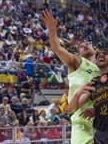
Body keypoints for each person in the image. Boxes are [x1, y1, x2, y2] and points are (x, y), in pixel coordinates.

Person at [68, 0, 108, 143]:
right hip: (99, 136)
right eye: (99, 54)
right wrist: (78, 94)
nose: (101, 55)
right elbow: (71, 110)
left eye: (106, 54)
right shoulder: (93, 84)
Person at [42, 9, 100, 144]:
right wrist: (52, 29)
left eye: (87, 44)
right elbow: (58, 49)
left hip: (99, 119)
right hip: (81, 118)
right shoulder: (77, 62)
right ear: (78, 52)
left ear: (94, 49)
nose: (84, 45)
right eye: (81, 46)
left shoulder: (101, 68)